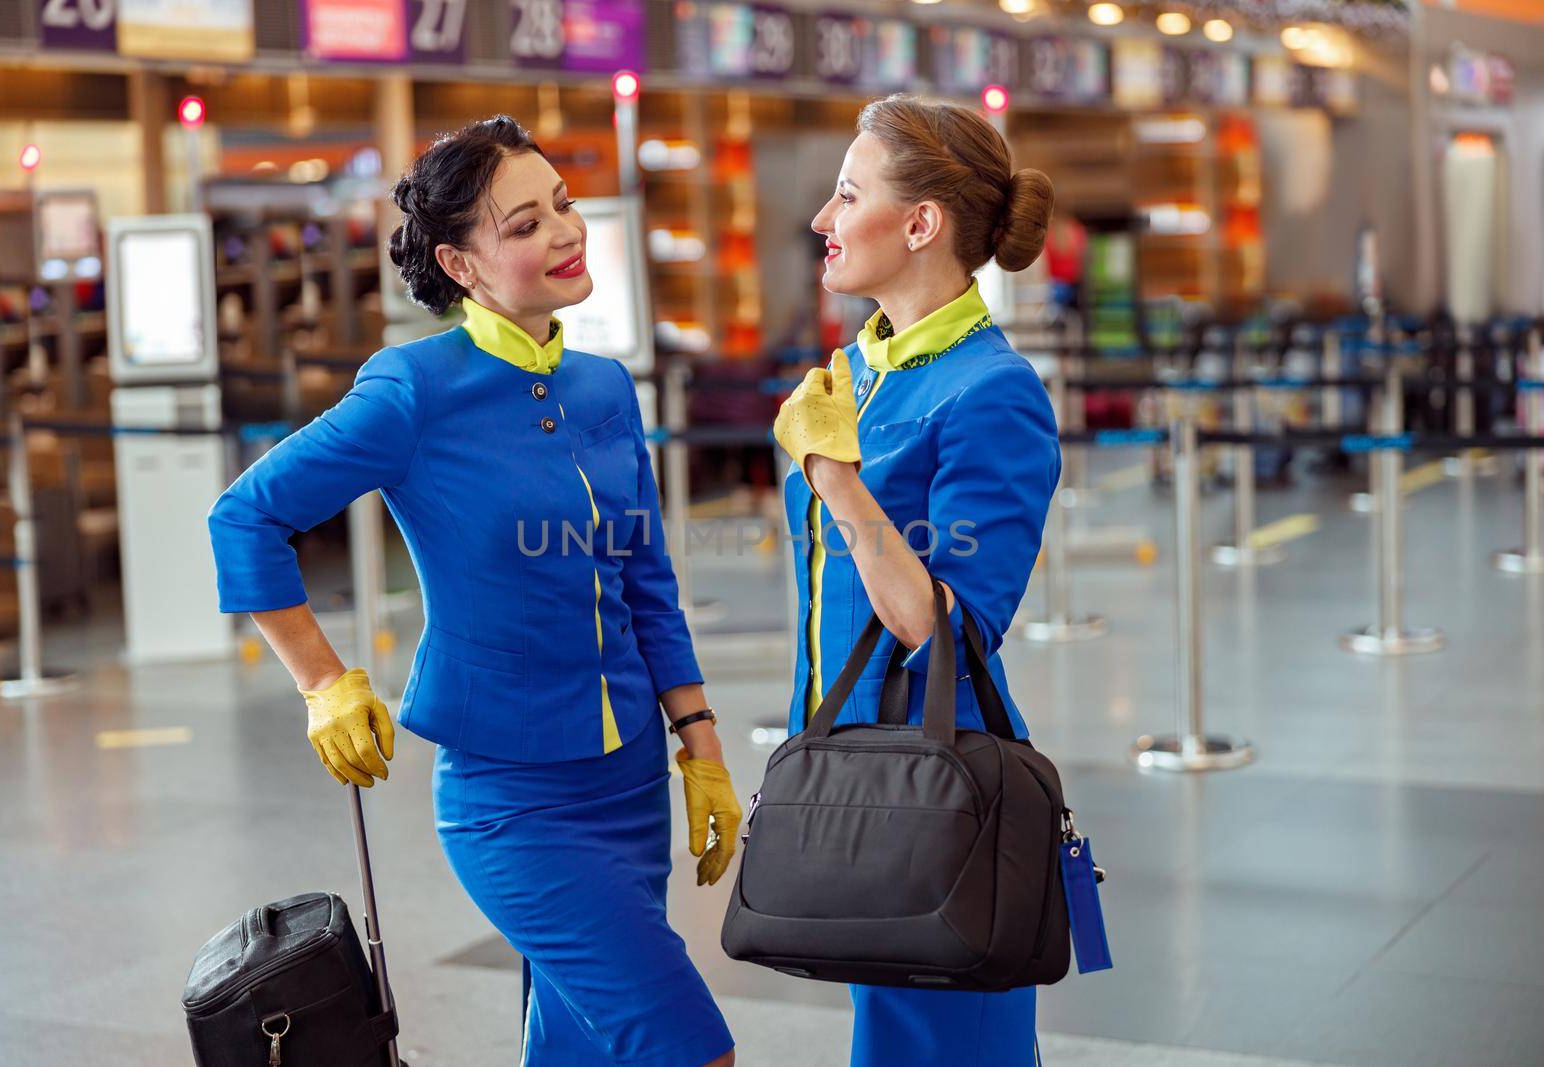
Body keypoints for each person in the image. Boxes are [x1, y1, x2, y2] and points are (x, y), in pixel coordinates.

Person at [207, 116, 739, 1067]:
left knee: (579, 1046)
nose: (566, 233)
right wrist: (324, 680)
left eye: (564, 207)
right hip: (511, 800)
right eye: (526, 224)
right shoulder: (412, 389)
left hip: (629, 785)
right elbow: (245, 515)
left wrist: (699, 740)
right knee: (689, 1047)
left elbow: (645, 576)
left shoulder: (605, 388)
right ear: (460, 263)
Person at [770, 94, 1061, 1067]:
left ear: (920, 222)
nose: (822, 217)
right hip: (853, 766)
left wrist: (835, 482)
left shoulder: (992, 391)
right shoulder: (858, 370)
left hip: (938, 791)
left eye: (847, 194)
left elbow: (952, 628)